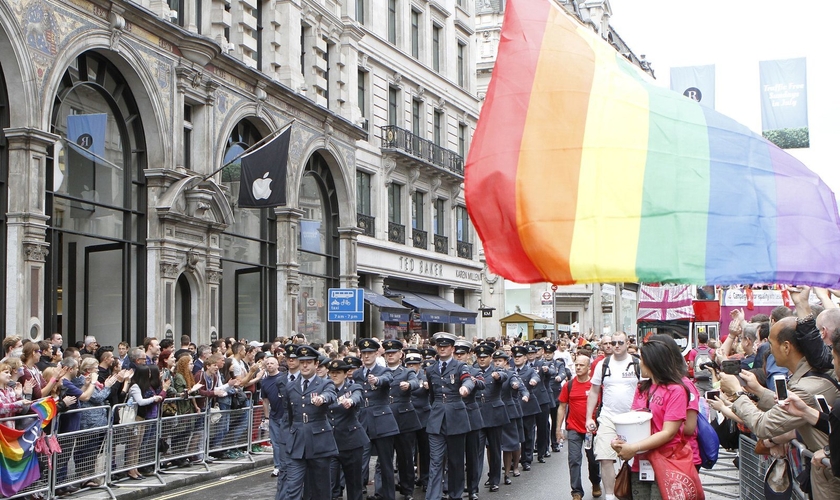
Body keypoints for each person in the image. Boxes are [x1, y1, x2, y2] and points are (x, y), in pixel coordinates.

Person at [722, 315, 840, 498]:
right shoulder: (807, 379)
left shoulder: (807, 387)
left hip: (828, 476)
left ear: (786, 347)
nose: (768, 349)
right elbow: (790, 406)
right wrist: (759, 391)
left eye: (771, 343)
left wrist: (737, 393)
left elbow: (764, 425)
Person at [611, 335, 699, 500]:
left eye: (642, 359)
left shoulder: (677, 390)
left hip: (667, 462)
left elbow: (669, 433)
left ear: (653, 361)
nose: (640, 363)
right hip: (640, 464)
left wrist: (634, 447)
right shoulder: (642, 388)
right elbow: (633, 421)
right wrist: (619, 441)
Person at [585, 331, 639, 500]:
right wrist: (589, 417)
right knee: (604, 457)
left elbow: (646, 390)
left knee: (632, 459)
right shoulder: (603, 364)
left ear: (627, 344)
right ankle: (610, 495)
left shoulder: (637, 364)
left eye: (620, 343)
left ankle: (631, 493)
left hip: (633, 419)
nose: (616, 346)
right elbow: (593, 392)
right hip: (608, 416)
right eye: (613, 342)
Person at [281, 345, 338, 500]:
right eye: (302, 362)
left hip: (319, 441)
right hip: (297, 441)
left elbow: (331, 394)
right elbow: (288, 415)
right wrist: (286, 439)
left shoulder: (325, 383)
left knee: (320, 487)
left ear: (316, 364)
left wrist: (322, 398)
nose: (305, 365)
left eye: (309, 362)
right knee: (292, 486)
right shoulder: (291, 386)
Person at [425, 332, 475, 500]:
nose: (442, 349)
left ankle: (455, 494)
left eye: (446, 347)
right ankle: (433, 496)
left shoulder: (460, 366)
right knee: (436, 460)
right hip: (437, 417)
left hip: (456, 417)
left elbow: (468, 379)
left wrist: (465, 388)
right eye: (440, 347)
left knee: (455, 461)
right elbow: (432, 395)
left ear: (452, 349)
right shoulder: (431, 369)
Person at [353, 338, 399, 500]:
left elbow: (388, 379)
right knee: (359, 462)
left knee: (386, 463)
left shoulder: (383, 370)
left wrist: (377, 381)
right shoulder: (358, 373)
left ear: (376, 354)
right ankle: (358, 494)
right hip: (362, 421)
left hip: (382, 421)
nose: (366, 356)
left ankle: (388, 495)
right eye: (364, 353)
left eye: (369, 353)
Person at [557, 355, 602, 500]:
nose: (578, 368)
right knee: (574, 460)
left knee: (593, 460)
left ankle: (595, 482)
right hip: (574, 428)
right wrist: (558, 429)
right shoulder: (568, 385)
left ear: (589, 368)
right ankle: (576, 491)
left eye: (582, 365)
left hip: (591, 429)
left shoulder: (596, 386)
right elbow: (562, 407)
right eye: (576, 365)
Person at [382, 339, 421, 500]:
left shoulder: (406, 371)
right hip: (384, 418)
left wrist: (409, 385)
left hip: (404, 418)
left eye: (393, 353)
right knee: (384, 459)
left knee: (405, 457)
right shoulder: (380, 372)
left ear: (401, 354)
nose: (390, 356)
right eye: (388, 353)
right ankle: (385, 490)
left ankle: (407, 489)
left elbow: (415, 381)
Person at [327, 358, 368, 500]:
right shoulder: (325, 389)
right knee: (330, 482)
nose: (334, 376)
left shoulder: (353, 388)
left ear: (345, 374)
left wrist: (350, 401)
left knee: (354, 482)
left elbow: (357, 396)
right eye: (332, 373)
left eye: (338, 373)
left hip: (351, 442)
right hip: (331, 442)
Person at [474, 343, 510, 493]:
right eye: (479, 357)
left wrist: (497, 376)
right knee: (476, 451)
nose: (482, 360)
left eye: (485, 357)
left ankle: (494, 479)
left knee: (495, 449)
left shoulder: (497, 370)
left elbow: (503, 376)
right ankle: (473, 484)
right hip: (478, 413)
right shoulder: (472, 371)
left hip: (494, 414)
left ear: (490, 358)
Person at [454, 340, 484, 500]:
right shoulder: (450, 370)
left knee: (472, 455)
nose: (459, 356)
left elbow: (481, 383)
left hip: (471, 416)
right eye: (456, 354)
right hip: (454, 417)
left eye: (462, 354)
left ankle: (473, 488)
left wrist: (472, 381)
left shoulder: (474, 370)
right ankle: (456, 488)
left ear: (469, 355)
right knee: (456, 456)